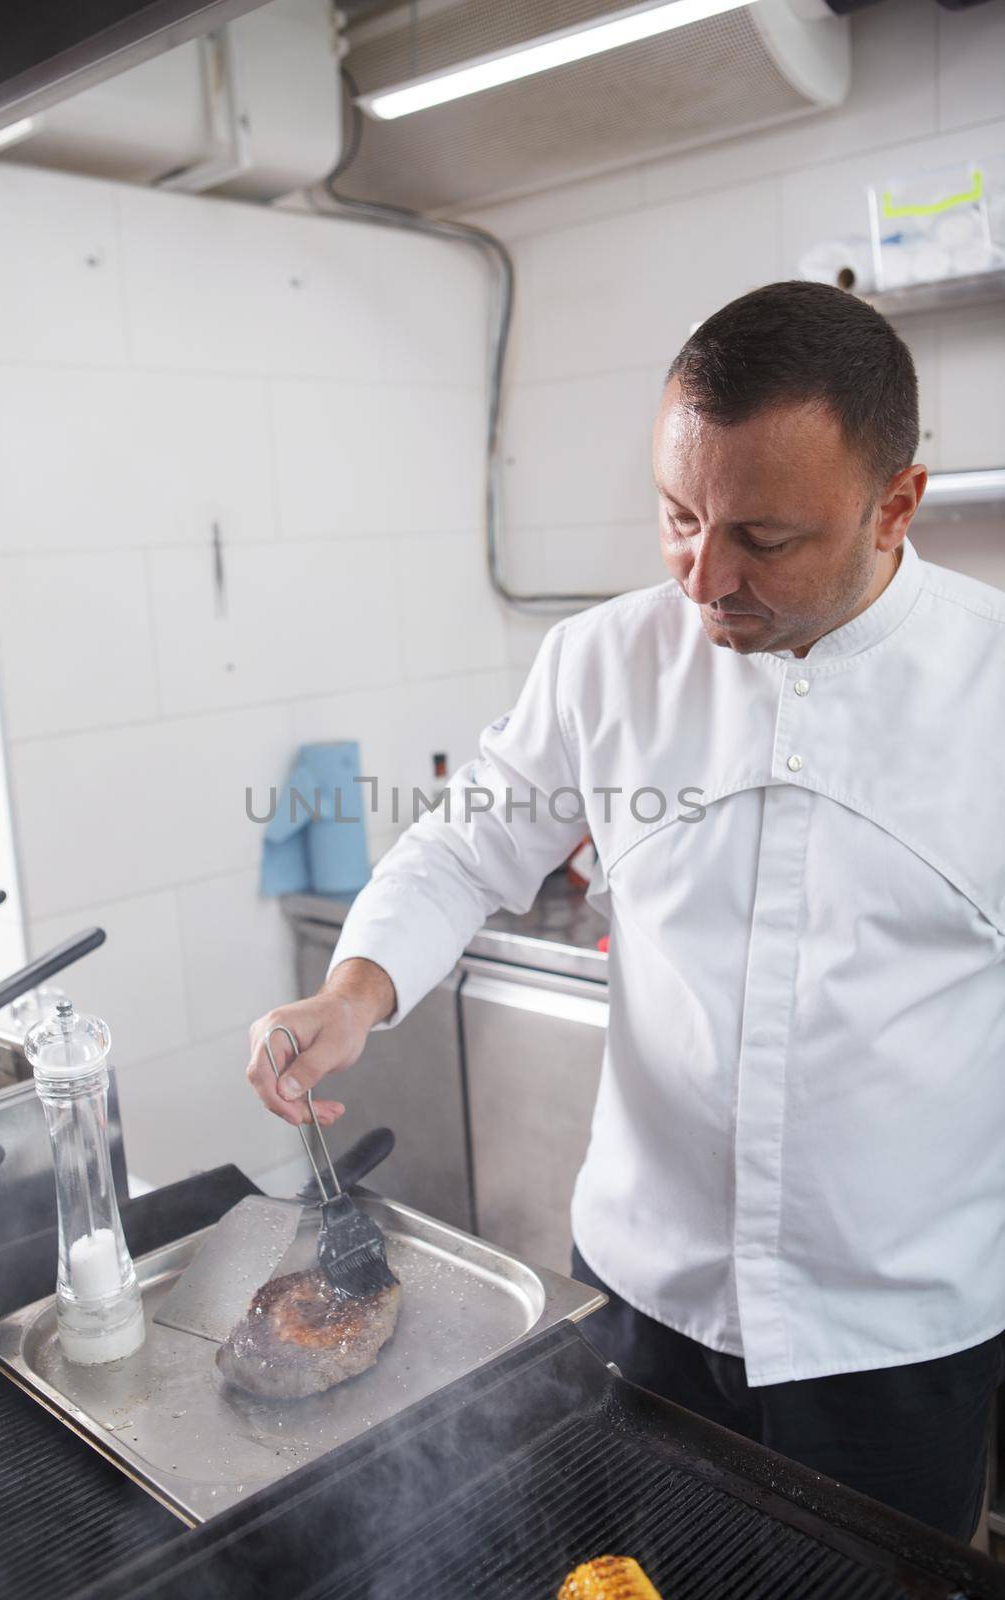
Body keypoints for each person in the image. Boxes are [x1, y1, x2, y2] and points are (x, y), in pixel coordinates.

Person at [247, 281, 1005, 1543]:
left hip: (895, 1339)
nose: (703, 577)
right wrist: (353, 989)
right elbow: (467, 840)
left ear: (895, 504)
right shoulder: (605, 660)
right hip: (644, 1302)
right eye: (675, 518)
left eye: (763, 538)